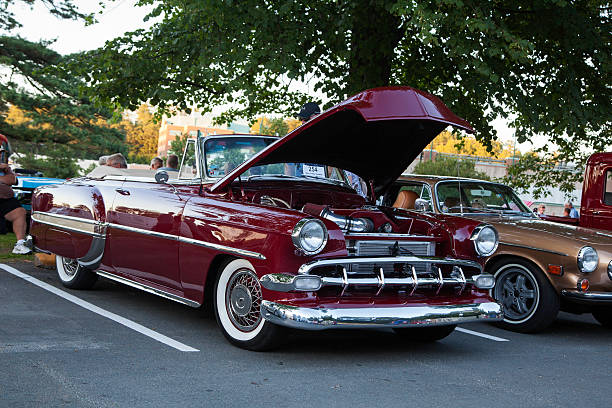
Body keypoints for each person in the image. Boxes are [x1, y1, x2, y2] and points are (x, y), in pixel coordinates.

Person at [0, 163, 31, 254]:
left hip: (5, 199)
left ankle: (19, 245)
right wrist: (3, 180)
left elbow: (12, 180)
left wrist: (5, 176)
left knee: (19, 212)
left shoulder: (4, 168)